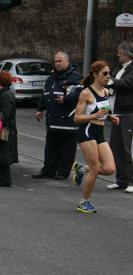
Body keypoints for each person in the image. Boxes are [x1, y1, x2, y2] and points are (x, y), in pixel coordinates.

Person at [72, 61, 118, 213]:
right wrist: (94, 115)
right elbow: (77, 118)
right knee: (95, 169)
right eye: (105, 74)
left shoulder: (105, 91)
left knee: (110, 168)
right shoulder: (86, 93)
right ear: (95, 75)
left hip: (99, 132)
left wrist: (110, 117)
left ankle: (81, 169)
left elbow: (103, 112)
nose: (108, 76)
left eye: (109, 73)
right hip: (87, 131)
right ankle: (84, 202)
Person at [33, 52, 83, 180]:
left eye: (60, 61)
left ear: (67, 61)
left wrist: (66, 99)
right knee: (50, 147)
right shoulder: (52, 77)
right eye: (55, 61)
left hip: (68, 121)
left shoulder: (76, 77)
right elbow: (45, 94)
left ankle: (63, 171)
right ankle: (48, 170)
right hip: (52, 120)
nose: (57, 64)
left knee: (67, 148)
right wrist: (40, 109)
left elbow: (82, 94)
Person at [105, 41, 133, 192]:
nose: (118, 55)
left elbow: (128, 83)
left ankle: (131, 181)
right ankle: (121, 179)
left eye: (120, 53)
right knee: (116, 147)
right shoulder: (119, 69)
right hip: (116, 112)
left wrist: (110, 82)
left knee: (128, 149)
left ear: (127, 54)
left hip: (128, 112)